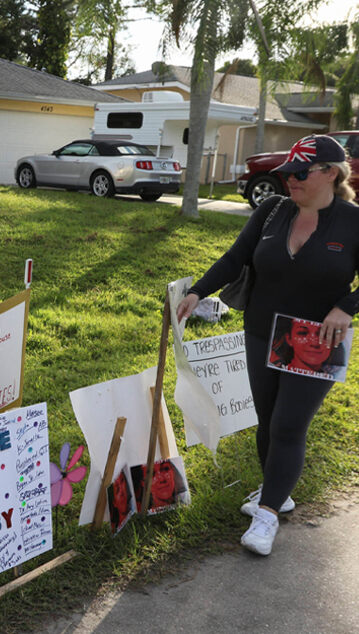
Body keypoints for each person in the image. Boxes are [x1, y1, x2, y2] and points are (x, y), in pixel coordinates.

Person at [176, 134, 359, 555]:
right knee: (267, 420)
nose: (289, 182)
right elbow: (234, 257)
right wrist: (198, 292)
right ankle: (279, 490)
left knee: (289, 425)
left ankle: (267, 515)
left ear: (330, 174)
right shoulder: (273, 210)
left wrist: (347, 306)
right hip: (262, 331)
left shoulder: (353, 222)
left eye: (299, 174)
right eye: (285, 175)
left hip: (316, 339)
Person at [269, 316, 347, 380]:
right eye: (302, 333)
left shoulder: (335, 372)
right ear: (289, 339)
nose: (314, 343)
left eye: (324, 335)